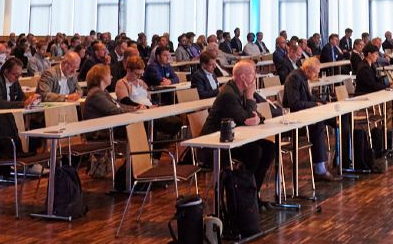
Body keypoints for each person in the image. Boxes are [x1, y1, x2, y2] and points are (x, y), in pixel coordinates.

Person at [201, 60, 277, 202]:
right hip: (214, 146)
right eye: (253, 75)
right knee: (255, 151)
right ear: (243, 78)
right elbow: (246, 119)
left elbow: (255, 116)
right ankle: (244, 197)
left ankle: (252, 194)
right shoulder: (228, 95)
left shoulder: (238, 90)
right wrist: (250, 97)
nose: (255, 78)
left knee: (269, 148)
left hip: (233, 139)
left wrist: (257, 117)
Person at [0, 57, 41, 164]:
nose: (18, 78)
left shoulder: (14, 81)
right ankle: (7, 160)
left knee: (34, 124)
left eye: (20, 75)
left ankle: (22, 157)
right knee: (7, 122)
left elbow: (22, 98)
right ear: (6, 71)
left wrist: (30, 100)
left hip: (3, 119)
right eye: (15, 74)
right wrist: (23, 104)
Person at [284, 57, 340, 182]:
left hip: (306, 115)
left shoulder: (303, 77)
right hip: (295, 119)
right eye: (316, 72)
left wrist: (323, 102)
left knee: (338, 120)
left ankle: (341, 159)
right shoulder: (294, 78)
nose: (317, 75)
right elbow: (294, 104)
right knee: (318, 125)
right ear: (308, 69)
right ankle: (320, 169)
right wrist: (316, 105)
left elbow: (309, 97)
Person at [115, 55, 184, 140]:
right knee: (169, 123)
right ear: (128, 70)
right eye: (137, 74)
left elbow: (149, 98)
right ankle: (158, 144)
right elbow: (125, 101)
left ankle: (162, 143)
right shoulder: (122, 83)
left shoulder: (141, 82)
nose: (139, 77)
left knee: (177, 121)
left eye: (141, 74)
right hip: (137, 114)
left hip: (150, 110)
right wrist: (146, 107)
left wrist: (154, 105)